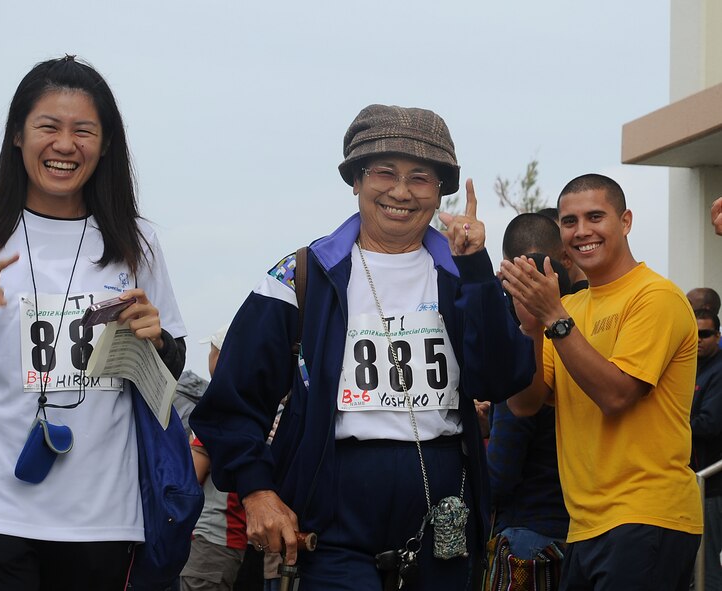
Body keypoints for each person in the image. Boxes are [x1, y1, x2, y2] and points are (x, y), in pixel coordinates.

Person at [191, 104, 534, 590]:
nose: (400, 191)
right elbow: (231, 403)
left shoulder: (463, 276)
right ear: (355, 180)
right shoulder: (300, 277)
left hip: (443, 514)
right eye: (384, 172)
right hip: (331, 513)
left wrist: (478, 269)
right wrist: (256, 489)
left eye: (420, 177)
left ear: (440, 191)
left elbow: (503, 380)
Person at [0, 55, 186, 591]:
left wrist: (156, 338)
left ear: (106, 144)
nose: (65, 145)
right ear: (17, 136)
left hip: (104, 517)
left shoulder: (137, 244)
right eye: (48, 126)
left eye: (83, 130)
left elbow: (172, 372)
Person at [501, 173, 702, 590]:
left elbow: (616, 394)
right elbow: (525, 404)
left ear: (625, 221)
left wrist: (553, 318)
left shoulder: (656, 296)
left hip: (646, 516)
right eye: (569, 221)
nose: (582, 231)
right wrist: (531, 330)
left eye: (596, 216)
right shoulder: (571, 306)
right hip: (584, 524)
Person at [486, 213, 569, 565]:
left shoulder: (522, 336)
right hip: (581, 526)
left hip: (530, 532)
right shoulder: (584, 323)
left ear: (506, 267)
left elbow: (501, 472)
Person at [181, 326, 249, 591]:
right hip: (232, 539)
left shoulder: (218, 407)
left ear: (220, 358)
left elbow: (190, 480)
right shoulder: (251, 404)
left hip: (209, 538)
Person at [691, 310, 722, 590]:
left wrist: (669, 423)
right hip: (693, 483)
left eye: (705, 334)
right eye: (695, 333)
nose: (698, 339)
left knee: (707, 567)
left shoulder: (719, 370)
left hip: (710, 484)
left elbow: (710, 423)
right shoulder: (692, 366)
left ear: (717, 336)